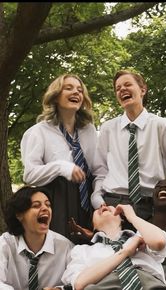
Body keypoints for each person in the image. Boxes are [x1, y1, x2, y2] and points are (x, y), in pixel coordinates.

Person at [91, 70, 166, 223]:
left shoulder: (162, 126)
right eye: (118, 88)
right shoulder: (108, 128)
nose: (122, 90)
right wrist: (97, 196)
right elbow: (100, 169)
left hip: (150, 205)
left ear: (142, 90)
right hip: (112, 203)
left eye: (127, 84)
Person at [20, 74, 98, 241]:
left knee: (90, 254)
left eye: (80, 90)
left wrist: (98, 197)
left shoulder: (89, 130)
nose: (76, 92)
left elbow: (98, 168)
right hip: (58, 202)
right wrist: (62, 167)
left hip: (89, 199)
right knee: (62, 254)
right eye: (68, 88)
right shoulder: (38, 132)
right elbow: (30, 174)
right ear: (55, 96)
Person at [61, 204, 166, 290]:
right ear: (93, 225)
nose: (103, 205)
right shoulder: (82, 251)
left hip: (150, 285)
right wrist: (125, 252)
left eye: (109, 205)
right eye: (97, 209)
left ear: (122, 217)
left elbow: (159, 242)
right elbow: (79, 284)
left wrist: (132, 216)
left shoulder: (142, 235)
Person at [0, 185, 73, 290]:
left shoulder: (65, 247)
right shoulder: (5, 244)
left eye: (48, 205)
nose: (45, 208)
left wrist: (60, 289)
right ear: (19, 215)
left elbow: (77, 279)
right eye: (36, 205)